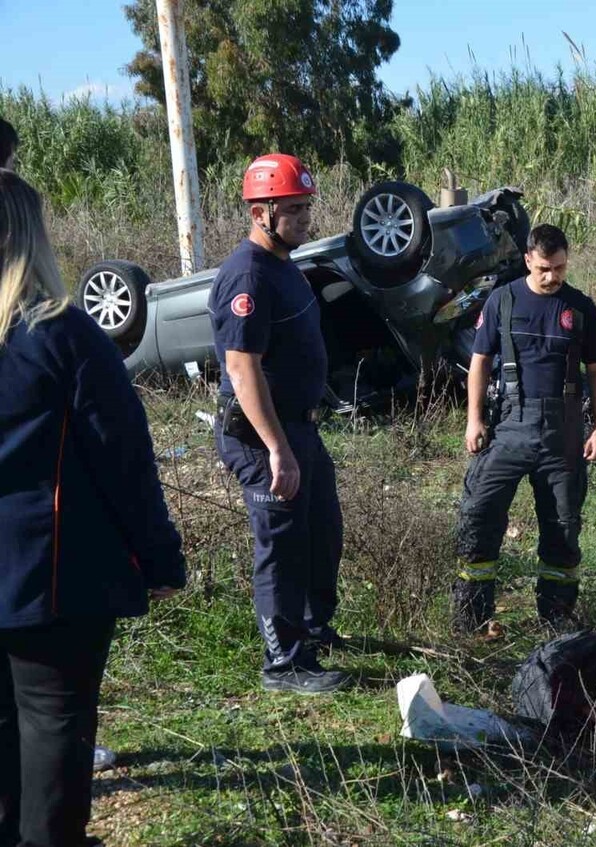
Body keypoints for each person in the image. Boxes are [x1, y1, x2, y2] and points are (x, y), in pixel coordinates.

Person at [0, 170, 186, 847]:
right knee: (52, 730)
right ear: (32, 240)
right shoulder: (66, 335)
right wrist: (161, 556)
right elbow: (124, 459)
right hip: (53, 581)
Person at [209, 153, 348, 694]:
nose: (307, 219)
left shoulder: (283, 265)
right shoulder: (246, 274)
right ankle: (283, 662)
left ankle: (312, 632)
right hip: (261, 435)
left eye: (307, 207)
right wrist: (276, 449)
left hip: (299, 428)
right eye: (295, 210)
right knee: (281, 542)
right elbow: (242, 367)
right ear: (262, 211)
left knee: (321, 531)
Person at [454, 224, 596, 631]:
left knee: (562, 525)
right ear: (527, 260)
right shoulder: (503, 301)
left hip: (564, 431)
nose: (552, 276)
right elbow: (480, 362)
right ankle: (473, 620)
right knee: (480, 513)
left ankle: (555, 624)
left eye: (559, 268)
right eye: (544, 268)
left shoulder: (580, 308)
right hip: (509, 425)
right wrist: (474, 420)